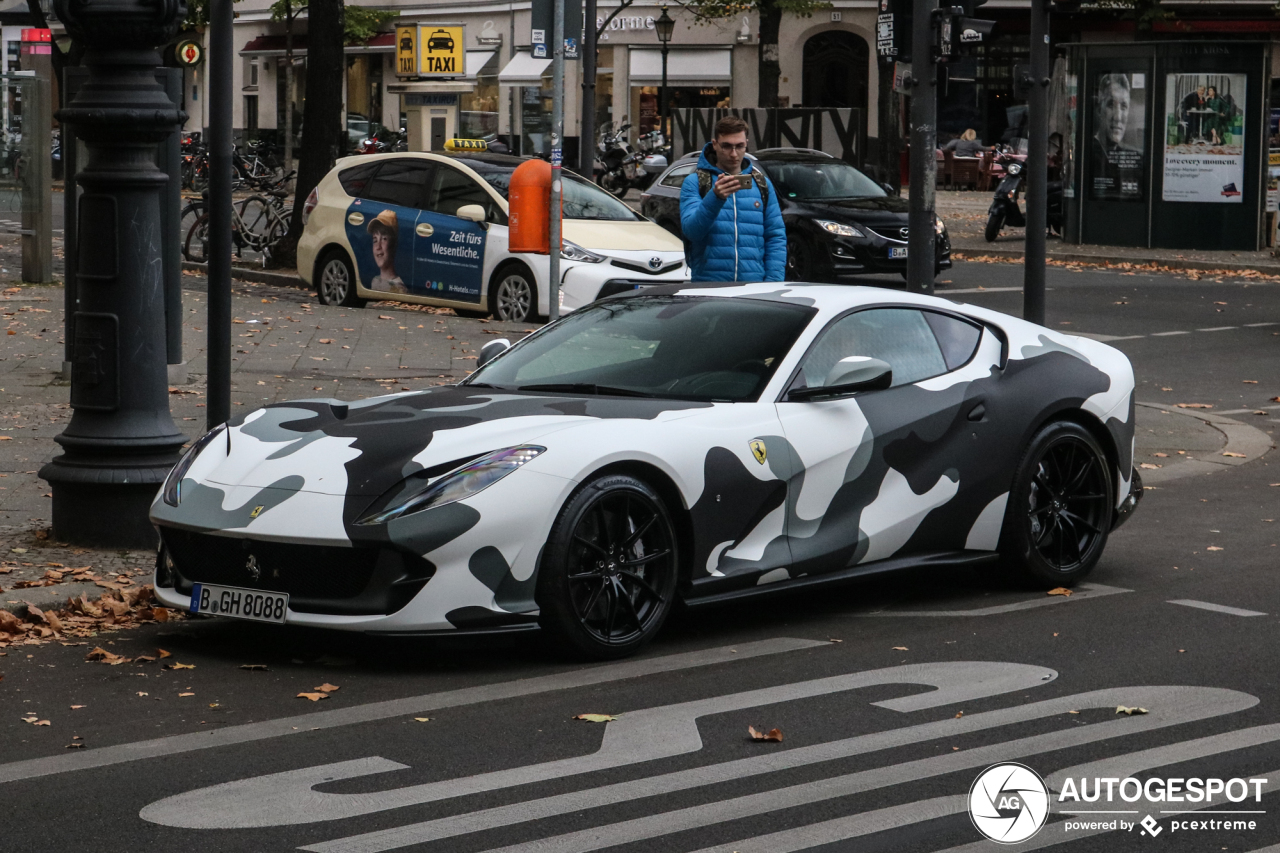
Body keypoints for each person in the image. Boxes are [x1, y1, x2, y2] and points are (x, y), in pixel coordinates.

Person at [679, 115, 786, 282]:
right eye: (727, 146)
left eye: (740, 146)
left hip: (753, 287)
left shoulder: (761, 183)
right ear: (714, 144)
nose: (734, 153)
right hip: (709, 285)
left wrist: (773, 282)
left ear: (746, 144)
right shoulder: (696, 182)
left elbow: (775, 236)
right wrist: (715, 197)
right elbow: (692, 231)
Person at [1090, 73, 1143, 200]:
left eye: (1124, 106)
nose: (1118, 117)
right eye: (1110, 105)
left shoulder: (1134, 158)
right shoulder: (1088, 154)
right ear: (1099, 110)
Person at [367, 209, 407, 293]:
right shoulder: (375, 281)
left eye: (384, 239)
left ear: (394, 244)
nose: (378, 246)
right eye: (375, 240)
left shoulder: (399, 288)